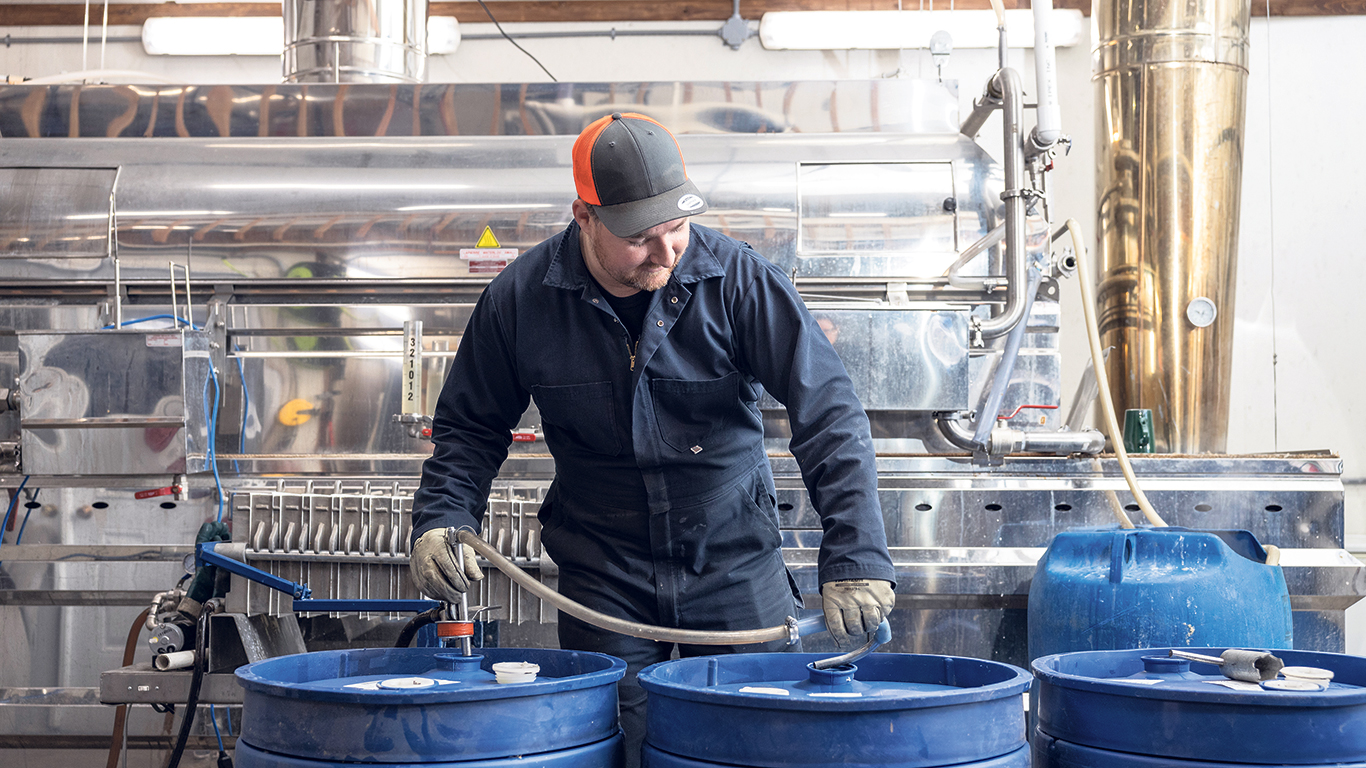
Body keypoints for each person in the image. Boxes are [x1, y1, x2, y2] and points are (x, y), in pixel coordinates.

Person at [410, 112, 895, 767]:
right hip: (603, 572)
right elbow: (470, 429)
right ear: (584, 217)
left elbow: (828, 414)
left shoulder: (737, 280)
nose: (667, 252)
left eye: (677, 228)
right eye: (641, 238)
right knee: (616, 750)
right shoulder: (519, 300)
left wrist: (857, 554)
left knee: (745, 748)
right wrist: (442, 516)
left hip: (732, 564)